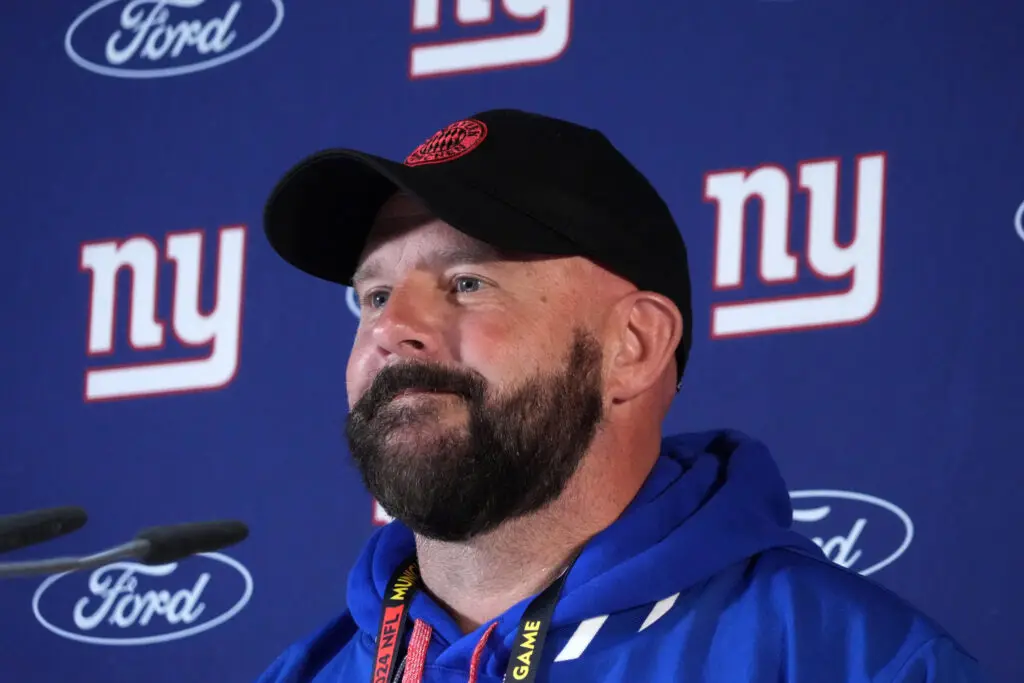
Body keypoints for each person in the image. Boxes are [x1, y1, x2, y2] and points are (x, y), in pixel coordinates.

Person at [255, 109, 984, 683]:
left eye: (467, 283)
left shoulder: (854, 664)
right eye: (374, 295)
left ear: (632, 345)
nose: (391, 328)